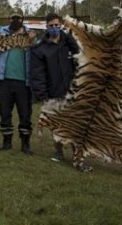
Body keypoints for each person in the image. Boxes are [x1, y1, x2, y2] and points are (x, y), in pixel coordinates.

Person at [30, 12, 79, 162]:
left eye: (57, 25)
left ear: (61, 26)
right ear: (47, 27)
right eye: (51, 26)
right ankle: (58, 152)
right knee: (56, 124)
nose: (54, 28)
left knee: (74, 124)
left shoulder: (68, 43)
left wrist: (67, 35)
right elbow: (38, 74)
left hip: (71, 91)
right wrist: (42, 95)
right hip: (53, 92)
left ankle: (77, 153)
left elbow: (79, 53)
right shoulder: (41, 49)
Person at [0, 8, 34, 154]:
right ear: (9, 19)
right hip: (4, 80)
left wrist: (31, 39)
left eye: (18, 18)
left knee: (25, 113)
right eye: (13, 18)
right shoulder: (2, 32)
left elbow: (37, 46)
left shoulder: (29, 34)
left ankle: (25, 143)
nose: (15, 21)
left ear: (22, 19)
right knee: (4, 111)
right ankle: (7, 141)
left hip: (23, 82)